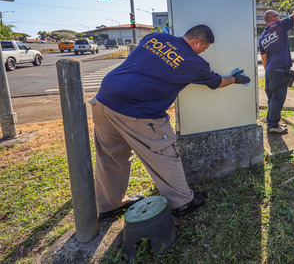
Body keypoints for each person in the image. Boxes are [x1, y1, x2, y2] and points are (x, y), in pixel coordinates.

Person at [91, 24, 251, 220]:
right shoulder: (194, 62)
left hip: (103, 99)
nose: (203, 51)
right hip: (137, 109)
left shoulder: (155, 38)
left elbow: (148, 56)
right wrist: (235, 79)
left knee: (111, 156)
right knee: (165, 153)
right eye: (204, 47)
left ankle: (109, 205)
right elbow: (216, 82)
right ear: (196, 42)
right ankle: (183, 203)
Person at [259, 0, 294, 133]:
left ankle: (271, 123)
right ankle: (273, 126)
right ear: (273, 18)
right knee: (278, 98)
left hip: (270, 71)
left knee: (272, 99)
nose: (279, 16)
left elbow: (264, 58)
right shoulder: (280, 26)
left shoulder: (262, 38)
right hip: (279, 70)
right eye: (277, 15)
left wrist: (268, 72)